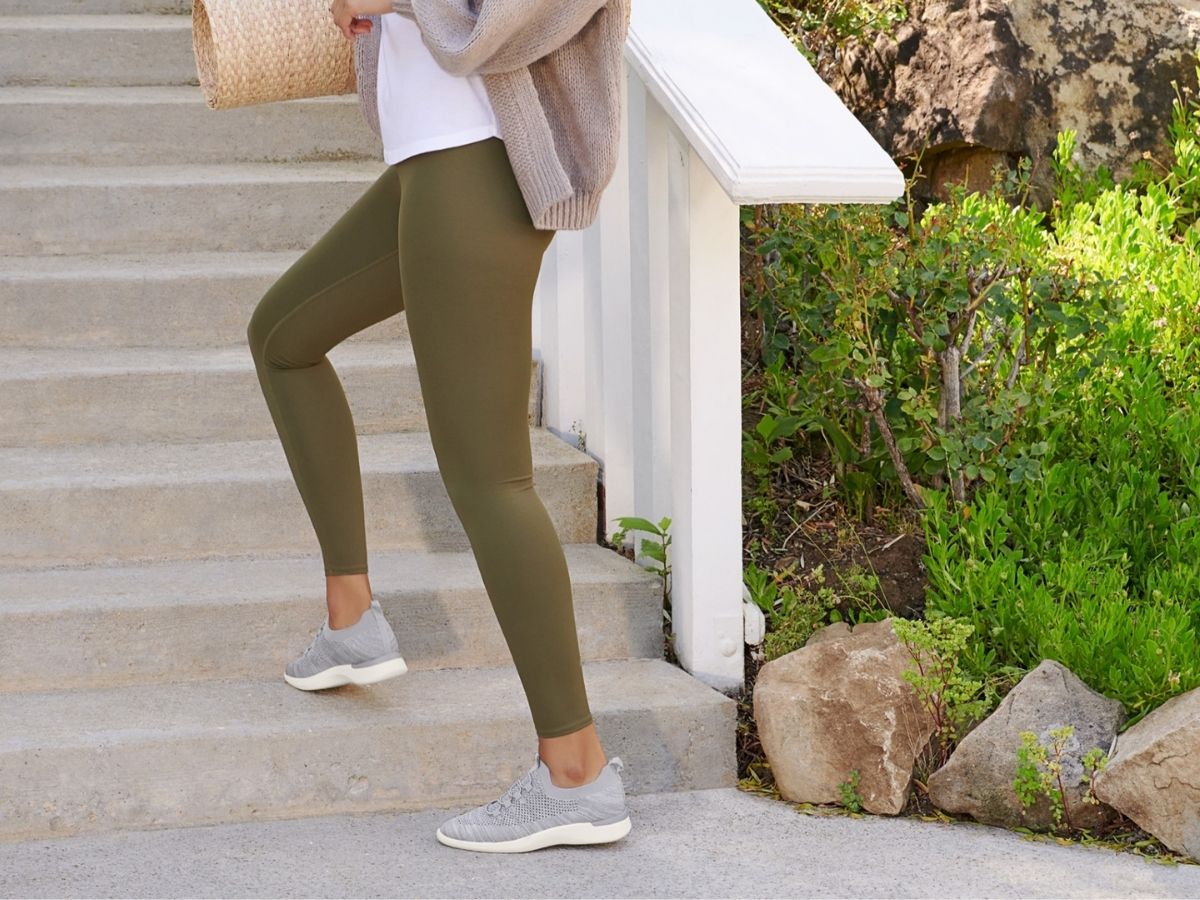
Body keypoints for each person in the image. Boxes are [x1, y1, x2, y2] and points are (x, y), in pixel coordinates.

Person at [245, 0, 633, 854]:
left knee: (488, 478)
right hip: (431, 161)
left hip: (480, 161)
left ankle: (575, 771)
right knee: (282, 337)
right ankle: (352, 622)